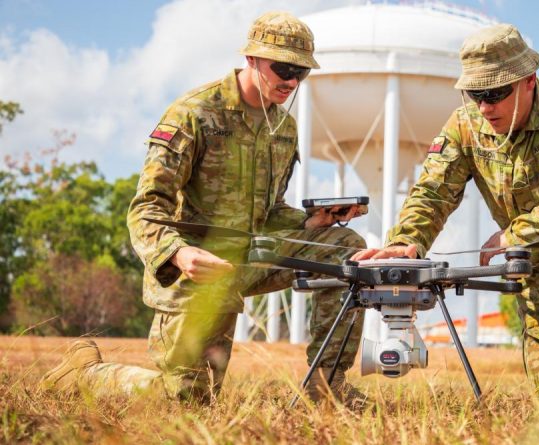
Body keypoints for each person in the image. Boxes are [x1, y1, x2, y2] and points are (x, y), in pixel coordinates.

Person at [41, 12, 365, 405]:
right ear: (251, 59)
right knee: (184, 401)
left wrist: (309, 221)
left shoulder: (283, 128)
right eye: (282, 68)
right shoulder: (193, 114)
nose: (292, 81)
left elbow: (268, 211)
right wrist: (178, 252)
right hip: (196, 271)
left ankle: (326, 388)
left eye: (301, 72)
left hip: (251, 258)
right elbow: (146, 208)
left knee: (346, 248)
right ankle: (87, 374)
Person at [352, 24, 539, 409]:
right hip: (534, 258)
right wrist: (405, 241)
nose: (484, 107)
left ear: (528, 80)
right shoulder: (466, 127)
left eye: (494, 93)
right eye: (475, 94)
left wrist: (517, 233)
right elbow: (432, 192)